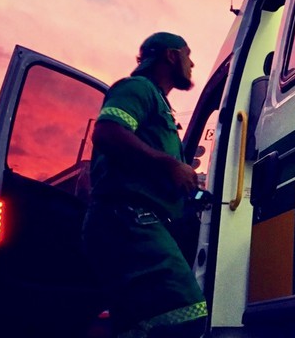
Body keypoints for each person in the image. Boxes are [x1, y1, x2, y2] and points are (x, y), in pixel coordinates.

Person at [82, 32, 207, 338]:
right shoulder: (137, 88)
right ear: (170, 56)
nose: (192, 63)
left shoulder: (161, 107)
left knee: (137, 325)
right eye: (187, 55)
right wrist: (169, 164)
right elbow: (108, 132)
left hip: (130, 223)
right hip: (128, 221)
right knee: (186, 312)